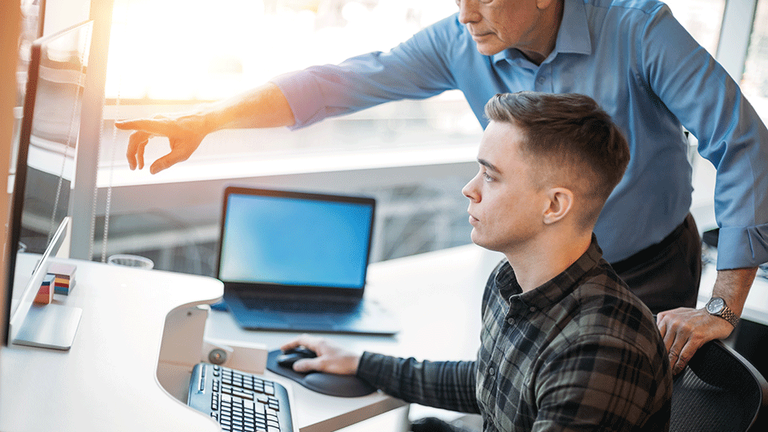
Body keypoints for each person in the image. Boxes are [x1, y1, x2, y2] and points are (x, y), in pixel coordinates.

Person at [115, 0, 768, 375]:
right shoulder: (464, 39)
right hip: (536, 273)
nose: (466, 11)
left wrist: (722, 305)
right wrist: (206, 120)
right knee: (507, 395)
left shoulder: (636, 27)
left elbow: (742, 143)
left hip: (644, 271)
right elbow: (334, 83)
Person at [279, 92, 671, 431]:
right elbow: (490, 383)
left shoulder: (599, 350)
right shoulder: (511, 282)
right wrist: (362, 363)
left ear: (554, 205)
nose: (469, 189)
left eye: (491, 176)